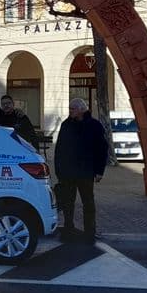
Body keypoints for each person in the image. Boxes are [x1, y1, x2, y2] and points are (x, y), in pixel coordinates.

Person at [54, 98, 109, 245]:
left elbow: (102, 149)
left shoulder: (94, 125)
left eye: (73, 109)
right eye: (70, 109)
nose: (70, 111)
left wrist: (99, 171)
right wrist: (58, 170)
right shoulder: (66, 125)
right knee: (68, 202)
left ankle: (90, 232)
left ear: (81, 109)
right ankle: (68, 229)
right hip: (68, 172)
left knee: (88, 202)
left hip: (86, 172)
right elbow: (59, 148)